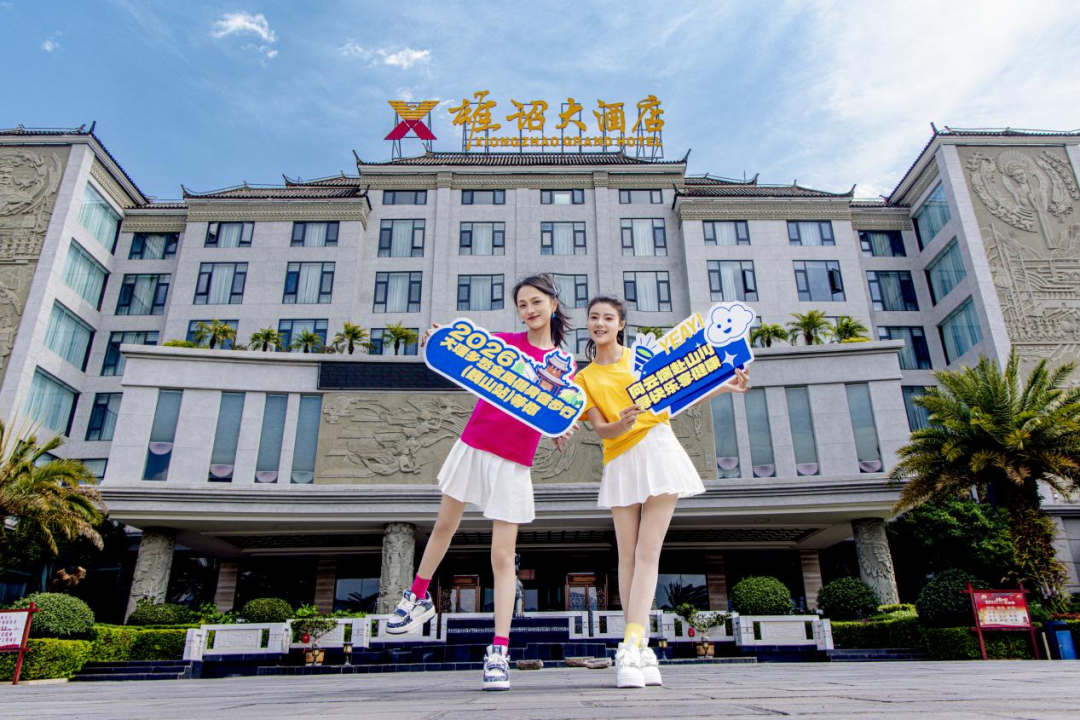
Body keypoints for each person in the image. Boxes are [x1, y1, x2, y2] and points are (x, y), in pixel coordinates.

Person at [386, 274, 574, 692]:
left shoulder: (564, 363)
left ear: (553, 304)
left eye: (536, 301)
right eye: (522, 304)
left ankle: (499, 652)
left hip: (513, 460)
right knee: (444, 525)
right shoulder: (503, 343)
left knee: (503, 557)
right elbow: (462, 351)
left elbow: (555, 410)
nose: (529, 310)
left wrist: (559, 429)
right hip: (474, 443)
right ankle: (418, 597)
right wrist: (439, 340)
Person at [573, 296, 749, 689]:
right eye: (594, 317)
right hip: (620, 458)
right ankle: (639, 647)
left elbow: (678, 394)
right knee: (627, 554)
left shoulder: (642, 358)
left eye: (608, 317)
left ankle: (632, 644)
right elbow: (600, 429)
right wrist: (620, 424)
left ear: (621, 324)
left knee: (648, 551)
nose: (599, 323)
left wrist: (725, 386)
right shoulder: (584, 379)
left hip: (659, 449)